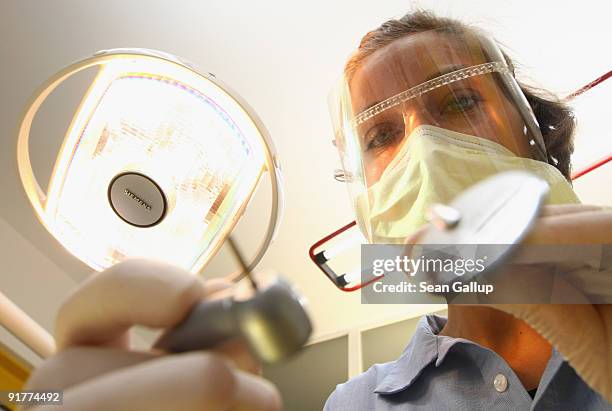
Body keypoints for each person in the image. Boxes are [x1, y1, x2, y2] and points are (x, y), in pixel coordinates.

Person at [21, 9, 612, 411]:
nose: (422, 148)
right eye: (380, 136)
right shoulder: (355, 404)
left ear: (536, 133)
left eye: (457, 99)